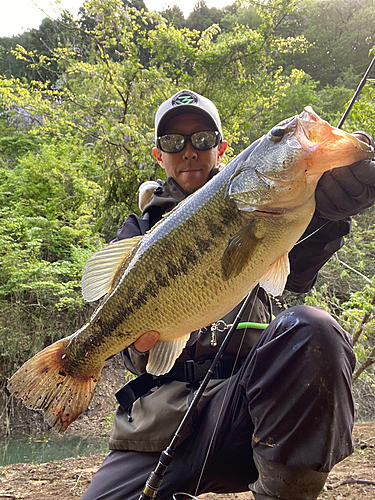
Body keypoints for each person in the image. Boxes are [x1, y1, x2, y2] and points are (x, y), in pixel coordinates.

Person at [82, 89, 375, 500]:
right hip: (157, 427)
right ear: (158, 155)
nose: (188, 151)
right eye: (173, 141)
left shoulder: (269, 199)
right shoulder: (139, 230)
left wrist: (329, 214)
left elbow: (297, 269)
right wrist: (135, 346)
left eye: (201, 139)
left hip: (252, 410)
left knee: (315, 330)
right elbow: (129, 342)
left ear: (221, 149)